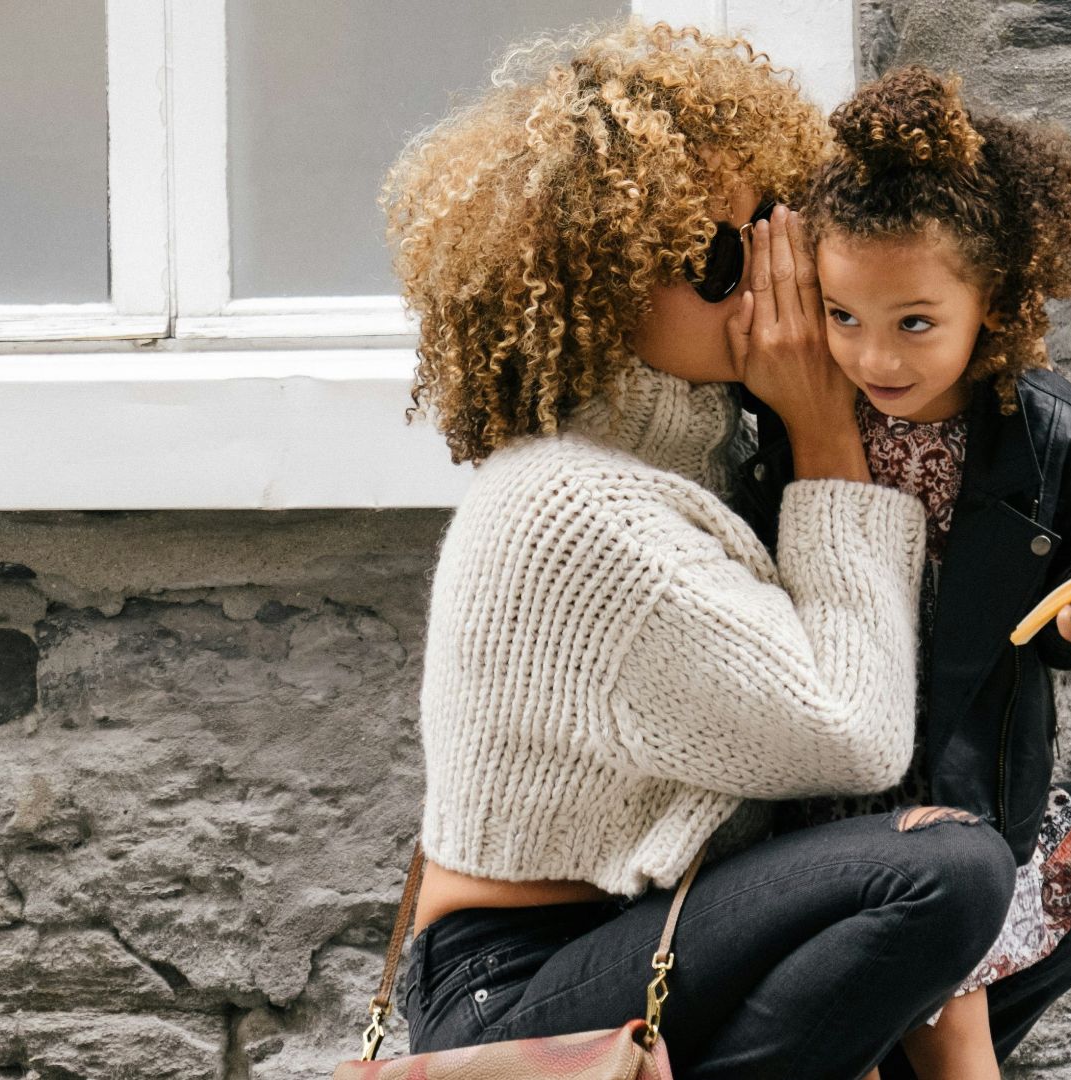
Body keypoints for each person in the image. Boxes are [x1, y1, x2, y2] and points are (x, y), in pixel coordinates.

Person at [381, 22, 1019, 1080]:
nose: (765, 283)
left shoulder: (704, 463)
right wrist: (825, 428)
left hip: (662, 935)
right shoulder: (573, 507)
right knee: (943, 871)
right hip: (524, 987)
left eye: (773, 234)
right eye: (718, 259)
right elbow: (854, 732)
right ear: (600, 279)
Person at [730, 66, 1071, 1079]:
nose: (875, 357)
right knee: (915, 977)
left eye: (914, 322)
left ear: (994, 303)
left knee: (1009, 905)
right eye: (842, 316)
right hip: (826, 760)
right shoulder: (792, 416)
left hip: (969, 770)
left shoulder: (1056, 437)